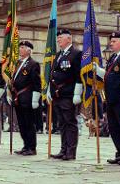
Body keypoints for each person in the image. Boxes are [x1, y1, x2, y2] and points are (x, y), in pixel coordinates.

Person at [94, 31, 120, 165]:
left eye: (114, 41)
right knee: (114, 127)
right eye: (111, 41)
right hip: (111, 98)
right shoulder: (113, 57)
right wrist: (97, 70)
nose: (111, 44)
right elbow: (109, 75)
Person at [48, 29, 82, 161]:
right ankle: (63, 149)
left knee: (70, 123)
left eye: (60, 38)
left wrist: (77, 93)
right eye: (57, 39)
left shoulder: (76, 54)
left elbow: (78, 75)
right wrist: (49, 91)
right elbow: (53, 74)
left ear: (69, 39)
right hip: (57, 94)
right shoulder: (59, 55)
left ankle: (71, 151)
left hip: (68, 94)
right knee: (61, 123)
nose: (58, 40)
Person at [9, 40, 41, 156]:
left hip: (27, 97)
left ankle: (32, 148)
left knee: (29, 123)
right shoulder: (17, 63)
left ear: (29, 50)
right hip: (18, 97)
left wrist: (35, 99)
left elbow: (36, 83)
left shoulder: (33, 64)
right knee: (21, 124)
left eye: (23, 47)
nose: (20, 49)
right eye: (20, 47)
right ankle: (25, 145)